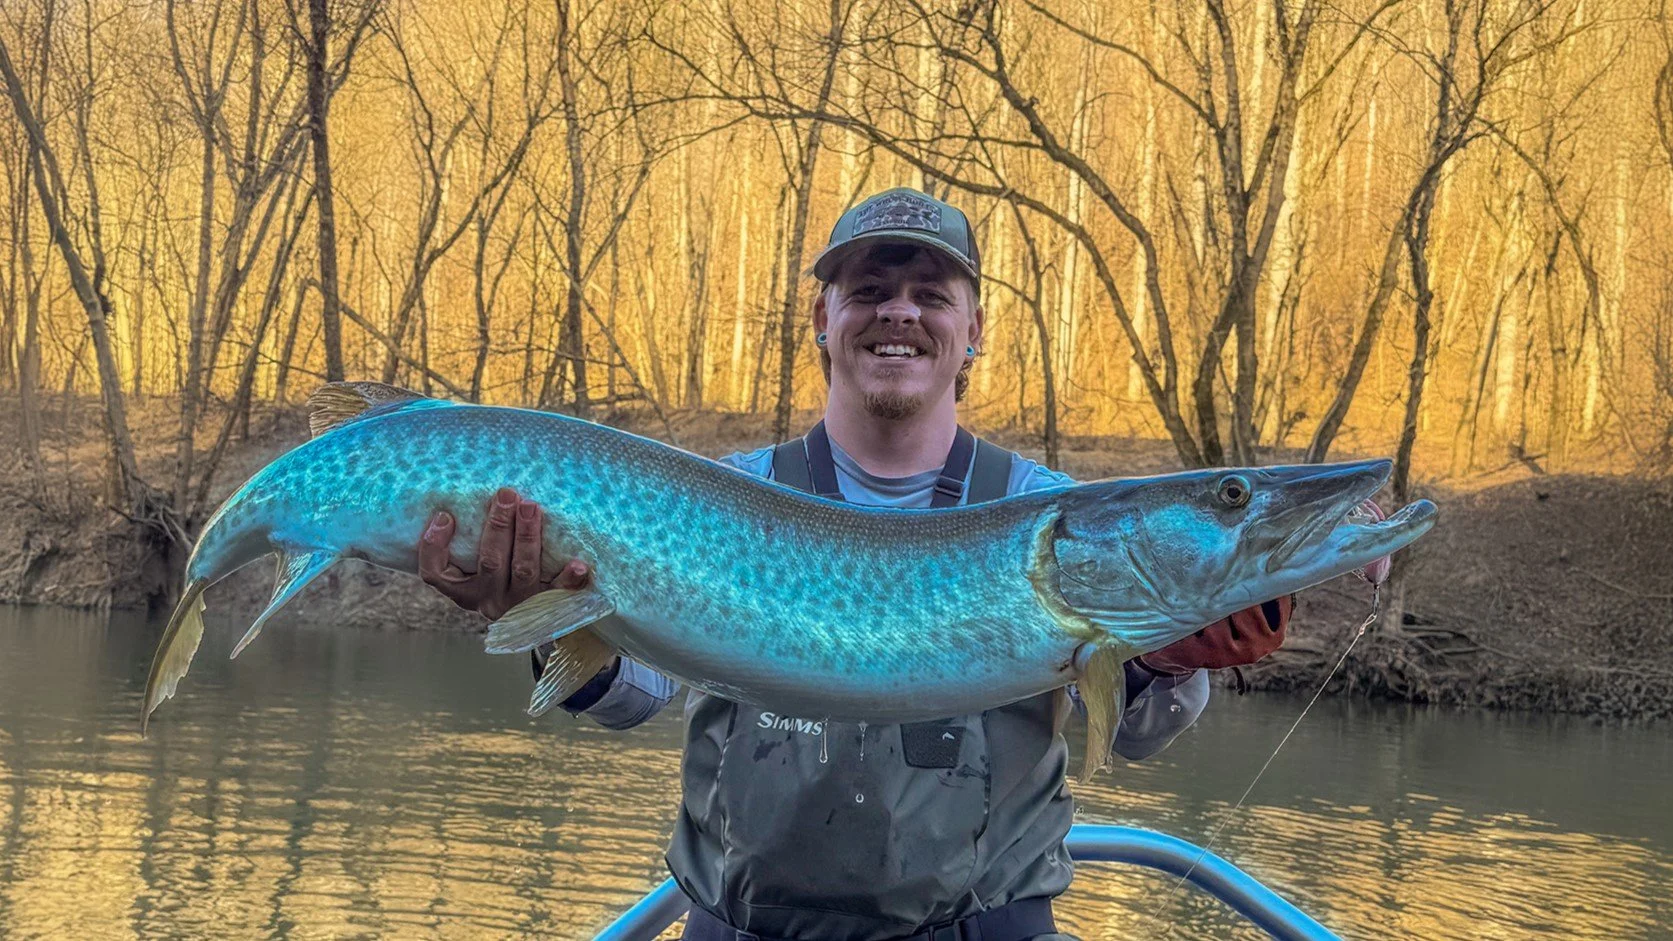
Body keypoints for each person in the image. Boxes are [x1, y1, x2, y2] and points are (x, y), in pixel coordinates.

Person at [417, 188, 1296, 941]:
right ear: (822, 319)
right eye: (868, 289)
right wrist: (541, 612)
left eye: (930, 293)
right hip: (745, 925)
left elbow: (1138, 736)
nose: (898, 312)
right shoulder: (718, 495)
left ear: (973, 328)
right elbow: (636, 696)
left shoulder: (1057, 514)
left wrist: (1166, 657)